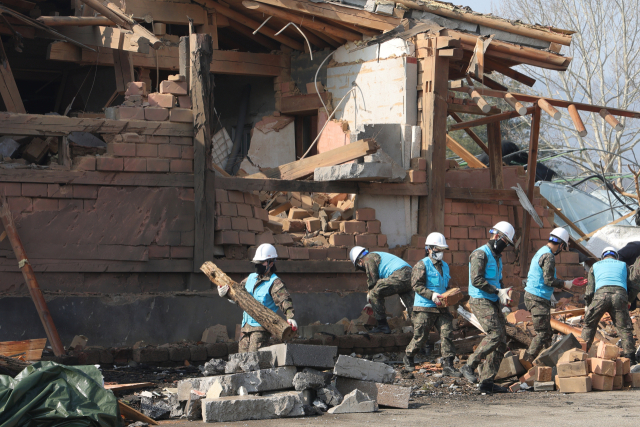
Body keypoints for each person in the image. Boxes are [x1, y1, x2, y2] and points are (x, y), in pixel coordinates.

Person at [459, 221, 515, 393]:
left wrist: (503, 294)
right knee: (495, 333)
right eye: (505, 242)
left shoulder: (497, 257)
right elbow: (476, 279)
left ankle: (487, 383)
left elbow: (498, 280)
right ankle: (469, 365)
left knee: (501, 341)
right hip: (480, 299)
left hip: (492, 299)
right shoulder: (480, 254)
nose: (505, 246)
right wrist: (497, 290)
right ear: (497, 236)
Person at [218, 243, 298, 353]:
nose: (258, 265)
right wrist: (226, 294)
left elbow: (285, 300)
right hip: (245, 328)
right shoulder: (250, 278)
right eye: (257, 262)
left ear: (271, 263)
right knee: (242, 361)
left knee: (255, 361)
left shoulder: (274, 282)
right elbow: (238, 294)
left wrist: (290, 317)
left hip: (261, 330)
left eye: (261, 262)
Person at [403, 232, 461, 377]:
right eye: (437, 249)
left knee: (447, 333)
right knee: (420, 336)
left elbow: (445, 285)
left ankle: (448, 364)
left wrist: (451, 295)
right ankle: (408, 357)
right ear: (429, 248)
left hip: (441, 307)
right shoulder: (422, 265)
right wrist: (432, 295)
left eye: (442, 250)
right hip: (424, 307)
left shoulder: (445, 266)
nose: (440, 253)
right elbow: (416, 285)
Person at [523, 228, 582, 363]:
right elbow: (548, 280)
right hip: (537, 297)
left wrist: (569, 283)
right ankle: (526, 361)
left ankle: (547, 363)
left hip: (536, 296)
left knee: (547, 333)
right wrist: (568, 284)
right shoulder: (548, 256)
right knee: (543, 333)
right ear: (561, 245)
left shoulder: (541, 251)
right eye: (563, 247)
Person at [582, 247, 638, 364]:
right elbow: (632, 285)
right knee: (624, 328)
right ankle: (631, 360)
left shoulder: (595, 266)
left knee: (589, 325)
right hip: (620, 295)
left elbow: (590, 291)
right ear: (616, 257)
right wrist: (629, 301)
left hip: (600, 295)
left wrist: (588, 306)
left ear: (603, 257)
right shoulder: (623, 265)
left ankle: (581, 354)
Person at [350, 246, 413, 334]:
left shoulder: (368, 258)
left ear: (360, 262)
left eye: (359, 267)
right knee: (413, 307)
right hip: (411, 275)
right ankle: (424, 341)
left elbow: (373, 281)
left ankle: (382, 326)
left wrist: (371, 297)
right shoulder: (378, 256)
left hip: (401, 274)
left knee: (374, 292)